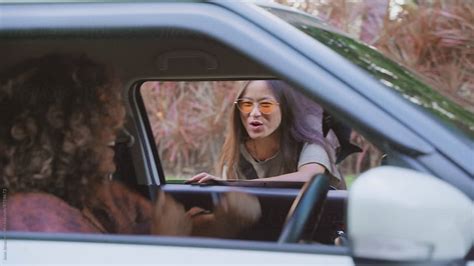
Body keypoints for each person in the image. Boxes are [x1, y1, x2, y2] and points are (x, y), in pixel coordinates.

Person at [0, 54, 260, 237]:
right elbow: (165, 236)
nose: (125, 138)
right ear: (63, 132)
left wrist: (224, 224)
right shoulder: (29, 216)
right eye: (102, 126)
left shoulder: (104, 194)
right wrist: (165, 244)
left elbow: (175, 229)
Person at [187, 80, 345, 189]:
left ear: (285, 108)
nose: (254, 113)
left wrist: (232, 184)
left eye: (266, 105)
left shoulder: (313, 133)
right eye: (247, 105)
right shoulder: (238, 151)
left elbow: (310, 177)